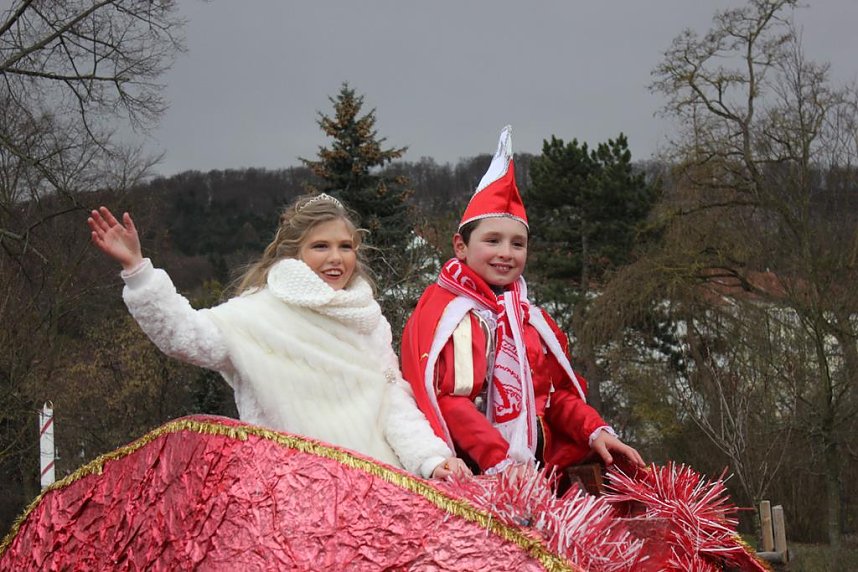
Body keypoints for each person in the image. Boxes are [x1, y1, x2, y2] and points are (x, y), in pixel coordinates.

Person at [87, 193, 469, 479]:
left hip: (372, 489)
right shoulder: (258, 314)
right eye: (320, 246)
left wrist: (431, 460)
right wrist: (138, 271)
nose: (336, 258)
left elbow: (393, 403)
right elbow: (184, 336)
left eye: (345, 246)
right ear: (293, 253)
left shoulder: (366, 318)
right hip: (286, 494)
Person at [401, 126, 645, 477]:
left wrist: (594, 431)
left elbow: (551, 398)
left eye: (518, 244)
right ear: (461, 246)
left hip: (534, 473)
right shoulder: (455, 319)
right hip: (476, 476)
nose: (506, 253)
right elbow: (452, 403)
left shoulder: (528, 321)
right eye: (493, 241)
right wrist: (500, 461)